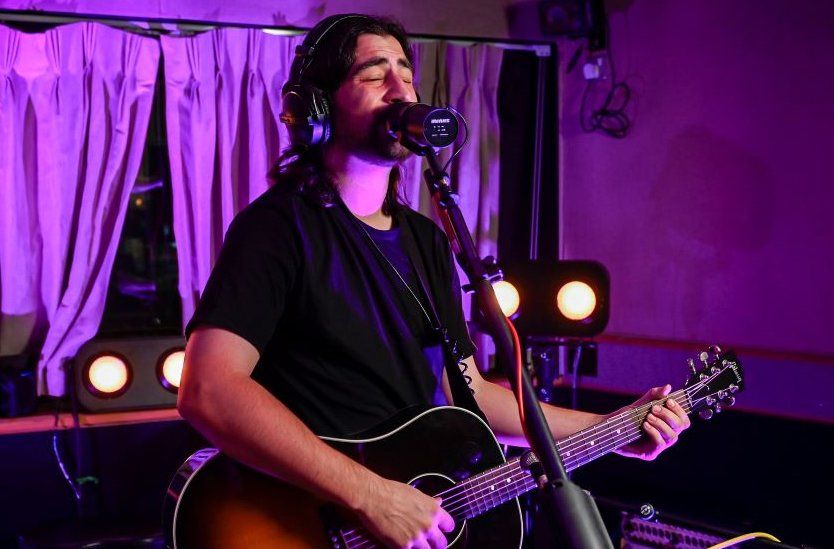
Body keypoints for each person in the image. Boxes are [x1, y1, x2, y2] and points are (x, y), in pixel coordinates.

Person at [177, 13, 690, 549]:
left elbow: (469, 396)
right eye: (375, 73)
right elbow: (209, 390)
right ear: (319, 108)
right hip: (301, 519)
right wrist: (369, 496)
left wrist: (613, 428)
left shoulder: (426, 242)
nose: (401, 87)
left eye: (406, 69)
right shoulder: (278, 228)